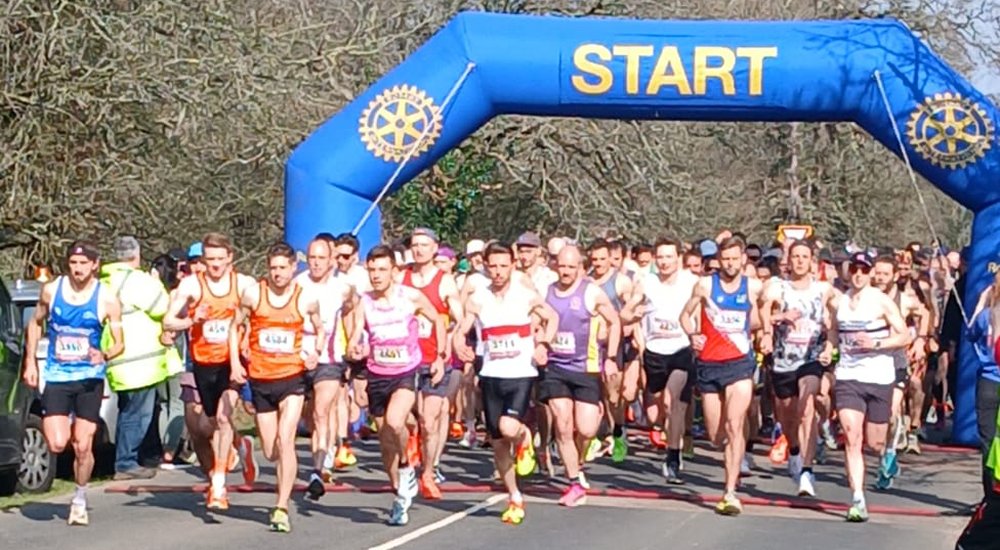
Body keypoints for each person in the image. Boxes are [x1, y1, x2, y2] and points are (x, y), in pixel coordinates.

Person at [453, 242, 558, 524]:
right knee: (498, 443)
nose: (498, 272)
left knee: (508, 427)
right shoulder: (477, 299)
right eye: (493, 266)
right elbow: (461, 329)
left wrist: (544, 344)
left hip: (520, 373)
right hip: (491, 374)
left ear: (513, 265)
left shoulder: (525, 295)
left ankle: (525, 438)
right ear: (485, 266)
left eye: (503, 266)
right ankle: (514, 496)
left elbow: (552, 317)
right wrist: (459, 344)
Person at [22, 241, 125, 526]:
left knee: (82, 446)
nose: (78, 269)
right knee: (56, 443)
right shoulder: (52, 291)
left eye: (83, 263)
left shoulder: (106, 298)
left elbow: (120, 344)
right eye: (73, 263)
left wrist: (103, 354)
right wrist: (30, 362)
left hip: (89, 379)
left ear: (95, 265)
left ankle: (79, 498)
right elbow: (35, 324)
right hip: (57, 375)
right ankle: (74, 439)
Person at [346, 245, 446, 526]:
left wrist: (439, 356)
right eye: (372, 270)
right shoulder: (363, 301)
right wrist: (354, 350)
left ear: (394, 271)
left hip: (406, 371)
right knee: (384, 438)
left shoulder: (410, 297)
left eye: (382, 270)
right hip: (377, 372)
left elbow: (437, 318)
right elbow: (356, 334)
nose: (376, 276)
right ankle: (400, 494)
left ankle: (406, 464)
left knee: (394, 421)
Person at [228, 242, 322, 532]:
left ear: (294, 268)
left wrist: (315, 352)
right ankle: (251, 451)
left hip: (292, 377)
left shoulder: (306, 298)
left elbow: (321, 329)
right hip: (261, 378)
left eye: (283, 268)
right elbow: (234, 327)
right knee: (270, 450)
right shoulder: (254, 294)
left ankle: (281, 506)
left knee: (286, 439)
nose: (278, 273)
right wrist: (234, 363)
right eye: (273, 268)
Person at [162, 233, 258, 509]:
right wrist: (193, 319)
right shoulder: (192, 285)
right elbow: (169, 321)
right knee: (207, 425)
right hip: (203, 363)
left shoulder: (244, 284)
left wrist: (250, 344)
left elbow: (259, 316)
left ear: (230, 258)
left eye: (220, 259)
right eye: (210, 259)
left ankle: (218, 486)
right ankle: (241, 445)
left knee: (225, 420)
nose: (215, 265)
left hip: (232, 361)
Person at [680, 236, 764, 515]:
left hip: (740, 362)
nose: (729, 264)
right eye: (724, 259)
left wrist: (768, 331)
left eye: (734, 258)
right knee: (717, 435)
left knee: (734, 423)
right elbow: (685, 315)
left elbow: (762, 315)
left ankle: (730, 491)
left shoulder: (753, 286)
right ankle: (730, 455)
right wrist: (693, 335)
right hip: (709, 364)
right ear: (719, 260)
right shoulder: (705, 285)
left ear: (743, 259)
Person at [828, 251, 909, 522]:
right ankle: (857, 499)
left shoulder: (881, 301)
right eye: (855, 269)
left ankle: (888, 447)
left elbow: (904, 335)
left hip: (879, 377)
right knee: (852, 437)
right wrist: (830, 349)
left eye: (864, 270)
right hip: (849, 376)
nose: (859, 275)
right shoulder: (840, 301)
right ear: (848, 271)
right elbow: (832, 330)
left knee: (873, 442)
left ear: (871, 272)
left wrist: (875, 344)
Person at [541, 244, 621, 505]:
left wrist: (610, 357)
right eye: (561, 266)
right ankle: (574, 483)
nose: (565, 272)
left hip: (585, 368)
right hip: (556, 368)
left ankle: (579, 458)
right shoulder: (548, 291)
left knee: (585, 430)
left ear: (580, 268)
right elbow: (535, 321)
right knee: (563, 424)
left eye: (571, 267)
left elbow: (615, 321)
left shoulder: (591, 293)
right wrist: (538, 344)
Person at [759, 240, 837, 496]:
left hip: (811, 358)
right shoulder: (777, 287)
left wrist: (830, 345)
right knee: (787, 416)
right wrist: (774, 324)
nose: (800, 261)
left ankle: (807, 471)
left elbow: (838, 319)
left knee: (807, 406)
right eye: (796, 257)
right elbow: (761, 314)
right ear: (788, 261)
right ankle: (794, 450)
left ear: (812, 261)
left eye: (805, 256)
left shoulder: (823, 290)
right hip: (783, 361)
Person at [620, 238, 699, 484]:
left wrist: (697, 336)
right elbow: (624, 314)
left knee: (673, 401)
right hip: (654, 351)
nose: (665, 262)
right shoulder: (646, 282)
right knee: (655, 415)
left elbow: (702, 311)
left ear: (678, 258)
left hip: (682, 348)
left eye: (669, 257)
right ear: (655, 259)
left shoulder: (691, 282)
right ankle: (667, 434)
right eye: (661, 257)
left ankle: (673, 457)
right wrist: (634, 313)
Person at [400, 228, 464, 499]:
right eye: (415, 245)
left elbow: (458, 316)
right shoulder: (400, 277)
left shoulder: (444, 281)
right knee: (405, 418)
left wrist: (448, 343)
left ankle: (428, 471)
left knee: (430, 418)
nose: (419, 250)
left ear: (435, 248)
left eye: (424, 245)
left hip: (435, 358)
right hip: (404, 359)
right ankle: (413, 445)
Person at [101, 236, 172, 479]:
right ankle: (126, 463)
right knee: (138, 414)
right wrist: (157, 283)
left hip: (117, 359)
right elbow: (164, 307)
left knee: (126, 411)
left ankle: (125, 460)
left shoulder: (104, 279)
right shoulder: (138, 282)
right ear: (137, 254)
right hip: (140, 361)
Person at [295, 237, 356, 500]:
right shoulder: (297, 284)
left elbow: (355, 309)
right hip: (297, 358)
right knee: (308, 416)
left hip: (329, 359)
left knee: (322, 411)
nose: (316, 263)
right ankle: (323, 449)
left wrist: (353, 341)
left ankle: (318, 469)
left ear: (332, 260)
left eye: (321, 258)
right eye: (312, 258)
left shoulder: (343, 288)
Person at [588, 239, 634, 462]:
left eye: (602, 259)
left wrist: (630, 325)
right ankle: (599, 434)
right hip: (589, 345)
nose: (598, 264)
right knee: (592, 391)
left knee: (613, 395)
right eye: (594, 259)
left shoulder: (621, 282)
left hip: (614, 344)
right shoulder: (585, 280)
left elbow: (631, 309)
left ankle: (618, 429)